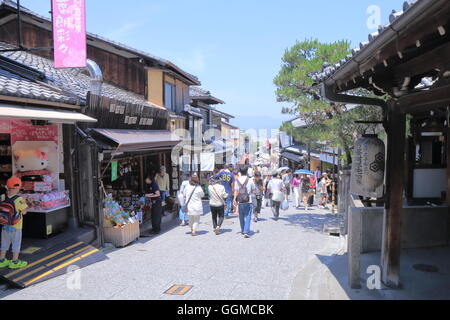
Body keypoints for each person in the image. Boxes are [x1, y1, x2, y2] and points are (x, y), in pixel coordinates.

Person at [0, 177, 28, 269]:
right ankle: (14, 262)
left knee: (4, 243)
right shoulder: (18, 199)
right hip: (16, 227)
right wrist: (25, 201)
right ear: (17, 188)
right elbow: (24, 211)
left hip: (5, 225)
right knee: (16, 244)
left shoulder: (3, 196)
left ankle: (2, 260)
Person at [233, 165, 256, 238]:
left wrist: (234, 200)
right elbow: (254, 190)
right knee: (248, 215)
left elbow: (236, 191)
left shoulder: (237, 180)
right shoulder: (250, 180)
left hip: (240, 200)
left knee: (241, 216)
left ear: (239, 171)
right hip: (248, 200)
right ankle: (246, 231)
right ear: (246, 171)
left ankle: (243, 229)